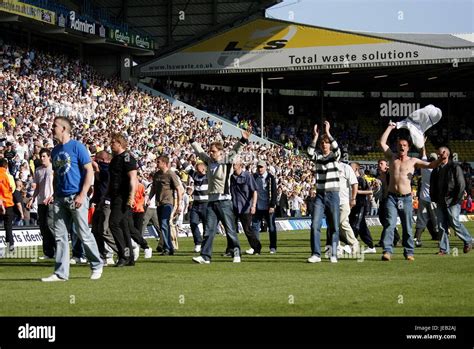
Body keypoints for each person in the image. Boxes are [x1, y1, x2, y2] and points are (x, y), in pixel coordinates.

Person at [41, 116, 103, 281]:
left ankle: (97, 265)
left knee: (83, 233)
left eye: (54, 126)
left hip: (76, 196)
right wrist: (54, 194)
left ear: (63, 129)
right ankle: (61, 273)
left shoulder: (77, 147)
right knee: (60, 236)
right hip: (60, 198)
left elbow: (89, 171)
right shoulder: (54, 151)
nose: (51, 128)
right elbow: (56, 176)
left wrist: (82, 195)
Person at [378, 122, 442, 261]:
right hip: (391, 198)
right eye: (400, 145)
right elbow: (382, 142)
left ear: (408, 147)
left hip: (406, 198)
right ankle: (387, 251)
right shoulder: (392, 157)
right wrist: (389, 127)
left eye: (404, 145)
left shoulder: (413, 161)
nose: (401, 147)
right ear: (397, 146)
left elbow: (430, 164)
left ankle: (409, 252)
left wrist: (440, 160)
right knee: (390, 224)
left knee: (407, 226)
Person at [191, 128, 251, 264]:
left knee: (230, 229)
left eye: (213, 151)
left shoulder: (226, 161)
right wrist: (192, 141)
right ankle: (205, 256)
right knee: (209, 230)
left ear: (220, 152)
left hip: (224, 201)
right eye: (210, 151)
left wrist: (243, 140)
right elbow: (199, 152)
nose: (211, 153)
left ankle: (236, 252)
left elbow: (235, 150)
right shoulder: (209, 162)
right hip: (211, 201)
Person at [306, 121, 341, 263]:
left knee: (334, 226)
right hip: (320, 195)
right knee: (315, 225)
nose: (325, 145)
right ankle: (316, 254)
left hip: (333, 194)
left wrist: (328, 132)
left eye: (326, 143)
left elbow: (338, 149)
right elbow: (309, 153)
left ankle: (333, 253)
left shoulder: (335, 156)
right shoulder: (318, 158)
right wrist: (315, 137)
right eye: (323, 143)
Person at [430, 146, 473, 255]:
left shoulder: (454, 167)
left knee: (454, 222)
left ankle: (468, 240)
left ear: (446, 154)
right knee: (441, 225)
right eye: (438, 153)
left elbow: (461, 184)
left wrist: (456, 199)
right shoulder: (436, 169)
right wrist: (433, 198)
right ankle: (444, 249)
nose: (439, 155)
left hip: (452, 201)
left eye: (440, 153)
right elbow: (433, 185)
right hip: (440, 201)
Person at [107, 133, 138, 267]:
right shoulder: (115, 159)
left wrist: (131, 196)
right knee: (123, 226)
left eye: (113, 142)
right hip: (115, 195)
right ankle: (129, 256)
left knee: (113, 223)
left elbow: (133, 178)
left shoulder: (127, 158)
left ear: (120, 144)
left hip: (123, 196)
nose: (110, 144)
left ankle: (123, 255)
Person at [149, 155, 184, 256]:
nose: (157, 164)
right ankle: (168, 247)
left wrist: (179, 204)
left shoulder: (171, 174)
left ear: (164, 163)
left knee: (164, 224)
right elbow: (154, 188)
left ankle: (167, 247)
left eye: (158, 162)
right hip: (159, 203)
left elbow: (178, 189)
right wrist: (149, 198)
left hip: (168, 203)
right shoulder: (156, 175)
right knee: (164, 226)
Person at [229, 159, 261, 255]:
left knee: (247, 230)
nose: (233, 166)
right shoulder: (231, 177)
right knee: (231, 230)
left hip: (245, 207)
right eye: (232, 164)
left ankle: (257, 247)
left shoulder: (247, 176)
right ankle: (231, 250)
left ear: (240, 165)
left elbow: (254, 191)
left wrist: (253, 205)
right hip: (234, 207)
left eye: (235, 164)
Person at [27, 148, 55, 259]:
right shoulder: (38, 170)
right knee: (43, 227)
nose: (42, 158)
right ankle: (48, 252)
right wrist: (32, 198)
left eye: (44, 156)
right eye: (41, 156)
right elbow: (37, 187)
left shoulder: (53, 168)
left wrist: (53, 196)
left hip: (52, 201)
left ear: (49, 157)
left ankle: (58, 249)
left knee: (51, 225)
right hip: (40, 201)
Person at [414, 147, 439, 247]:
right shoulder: (438, 170)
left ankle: (417, 239)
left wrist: (423, 144)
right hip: (433, 199)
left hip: (423, 197)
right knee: (436, 219)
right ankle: (441, 240)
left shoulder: (424, 168)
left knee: (421, 219)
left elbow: (423, 154)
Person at [251, 160, 278, 254]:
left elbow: (274, 192)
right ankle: (256, 247)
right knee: (255, 227)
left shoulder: (270, 178)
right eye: (258, 167)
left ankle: (273, 247)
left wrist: (272, 205)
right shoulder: (254, 177)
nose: (260, 169)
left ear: (265, 167)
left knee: (271, 227)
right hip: (257, 206)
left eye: (261, 167)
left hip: (268, 206)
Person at [349, 162, 376, 254]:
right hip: (353, 205)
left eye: (351, 167)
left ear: (356, 169)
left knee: (355, 225)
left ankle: (351, 245)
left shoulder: (361, 180)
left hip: (361, 205)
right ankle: (371, 246)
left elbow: (369, 191)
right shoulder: (350, 180)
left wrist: (357, 191)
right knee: (362, 227)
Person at [375, 159, 400, 247]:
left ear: (386, 165)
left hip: (390, 199)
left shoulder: (389, 174)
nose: (379, 165)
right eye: (379, 164)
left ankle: (385, 241)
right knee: (384, 220)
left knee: (387, 221)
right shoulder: (378, 176)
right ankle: (395, 239)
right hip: (382, 200)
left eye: (381, 163)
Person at [187, 160, 208, 253]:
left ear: (203, 168)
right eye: (196, 168)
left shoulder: (209, 177)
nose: (196, 169)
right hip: (196, 203)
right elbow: (186, 167)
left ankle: (205, 245)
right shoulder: (195, 175)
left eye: (198, 167)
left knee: (206, 225)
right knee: (193, 222)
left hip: (206, 203)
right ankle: (198, 242)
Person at [0, 158, 15, 252]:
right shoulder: (9, 176)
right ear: (6, 166)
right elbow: (12, 189)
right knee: (8, 226)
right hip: (8, 203)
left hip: (0, 202)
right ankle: (10, 245)